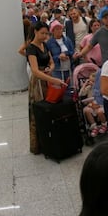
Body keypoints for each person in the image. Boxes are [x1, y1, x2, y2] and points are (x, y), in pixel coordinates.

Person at [26, 21, 69, 154]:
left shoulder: (44, 44)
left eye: (46, 33)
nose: (45, 36)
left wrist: (51, 68)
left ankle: (49, 139)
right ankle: (38, 144)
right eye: (42, 33)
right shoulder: (31, 48)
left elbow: (51, 61)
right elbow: (35, 71)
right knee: (38, 112)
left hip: (47, 79)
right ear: (35, 32)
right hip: (38, 83)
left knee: (49, 109)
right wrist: (53, 78)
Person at [46, 20, 74, 86]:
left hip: (68, 68)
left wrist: (66, 54)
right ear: (52, 31)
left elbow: (72, 51)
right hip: (57, 69)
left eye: (60, 29)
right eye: (57, 29)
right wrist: (58, 57)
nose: (59, 31)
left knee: (69, 87)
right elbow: (48, 57)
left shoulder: (67, 40)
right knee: (58, 87)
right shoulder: (49, 43)